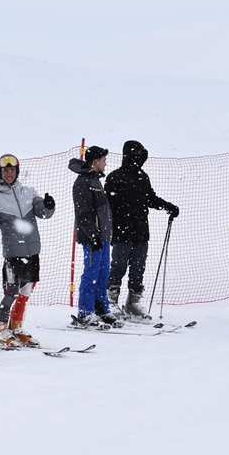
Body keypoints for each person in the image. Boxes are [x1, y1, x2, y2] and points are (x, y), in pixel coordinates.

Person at [0, 154, 55, 347]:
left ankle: (16, 327)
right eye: (5, 170)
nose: (9, 173)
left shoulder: (29, 192)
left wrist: (48, 206)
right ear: (0, 172)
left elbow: (43, 213)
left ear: (17, 171)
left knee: (26, 290)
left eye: (12, 170)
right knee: (11, 292)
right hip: (13, 254)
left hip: (32, 252)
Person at [104, 140, 179, 322]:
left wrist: (168, 206)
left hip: (141, 233)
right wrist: (110, 229)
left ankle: (133, 303)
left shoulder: (142, 177)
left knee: (138, 269)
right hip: (121, 233)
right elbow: (107, 207)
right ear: (128, 154)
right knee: (118, 268)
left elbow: (150, 199)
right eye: (135, 152)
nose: (138, 156)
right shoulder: (114, 177)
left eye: (140, 152)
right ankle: (110, 301)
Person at [69, 146, 121, 329]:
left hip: (104, 237)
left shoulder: (95, 181)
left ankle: (101, 309)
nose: (106, 163)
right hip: (93, 238)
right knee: (91, 275)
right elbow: (83, 213)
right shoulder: (83, 182)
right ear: (95, 162)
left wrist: (106, 234)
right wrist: (93, 234)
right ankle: (85, 313)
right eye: (103, 160)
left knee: (102, 274)